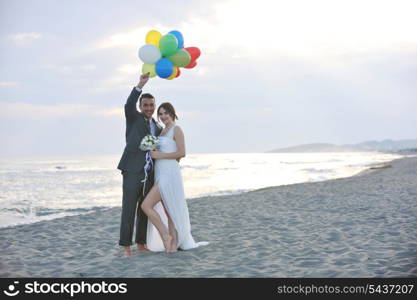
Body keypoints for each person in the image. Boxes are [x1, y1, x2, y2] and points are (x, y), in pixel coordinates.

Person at [141, 102, 209, 253]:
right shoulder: (162, 131)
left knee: (146, 205)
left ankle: (167, 237)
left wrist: (159, 155)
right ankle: (172, 245)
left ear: (172, 113)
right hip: (160, 172)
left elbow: (181, 153)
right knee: (168, 210)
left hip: (169, 174)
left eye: (166, 113)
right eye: (161, 114)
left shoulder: (176, 130)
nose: (163, 116)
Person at [117, 72, 162, 257]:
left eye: (152, 105)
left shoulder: (158, 128)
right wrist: (140, 85)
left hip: (149, 174)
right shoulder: (133, 117)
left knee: (144, 209)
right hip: (132, 170)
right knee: (129, 209)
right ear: (140, 106)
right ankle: (126, 247)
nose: (149, 108)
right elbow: (128, 104)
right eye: (146, 105)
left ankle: (141, 243)